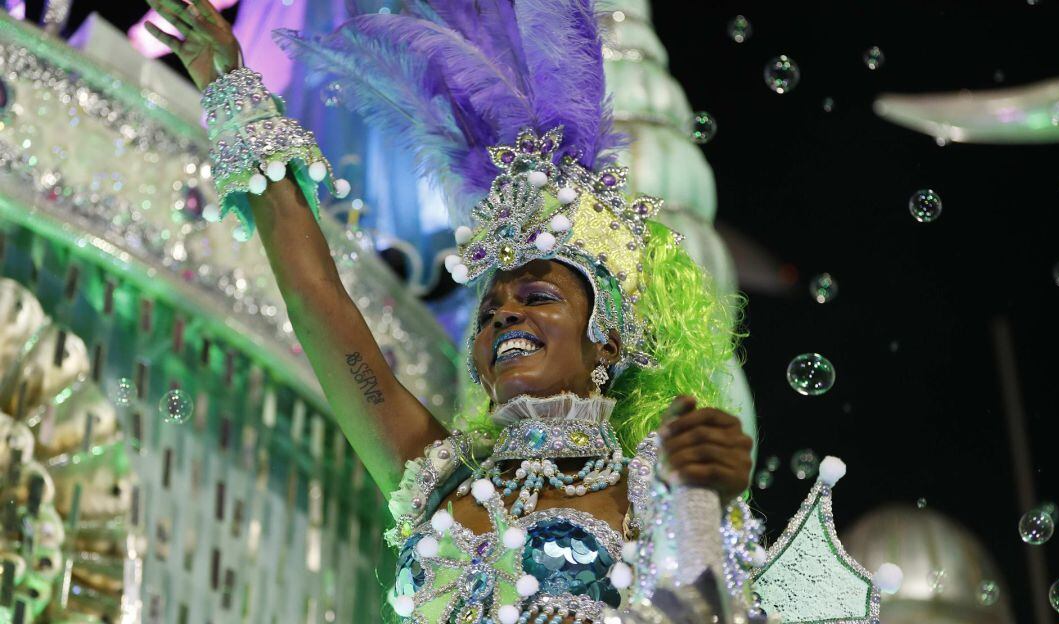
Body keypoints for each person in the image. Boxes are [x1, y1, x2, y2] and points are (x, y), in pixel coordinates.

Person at [141, 2, 861, 623]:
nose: (503, 319)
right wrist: (228, 86)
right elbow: (315, 297)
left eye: (538, 297)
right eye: (490, 311)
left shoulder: (655, 492)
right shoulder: (436, 478)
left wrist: (702, 503)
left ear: (609, 339)